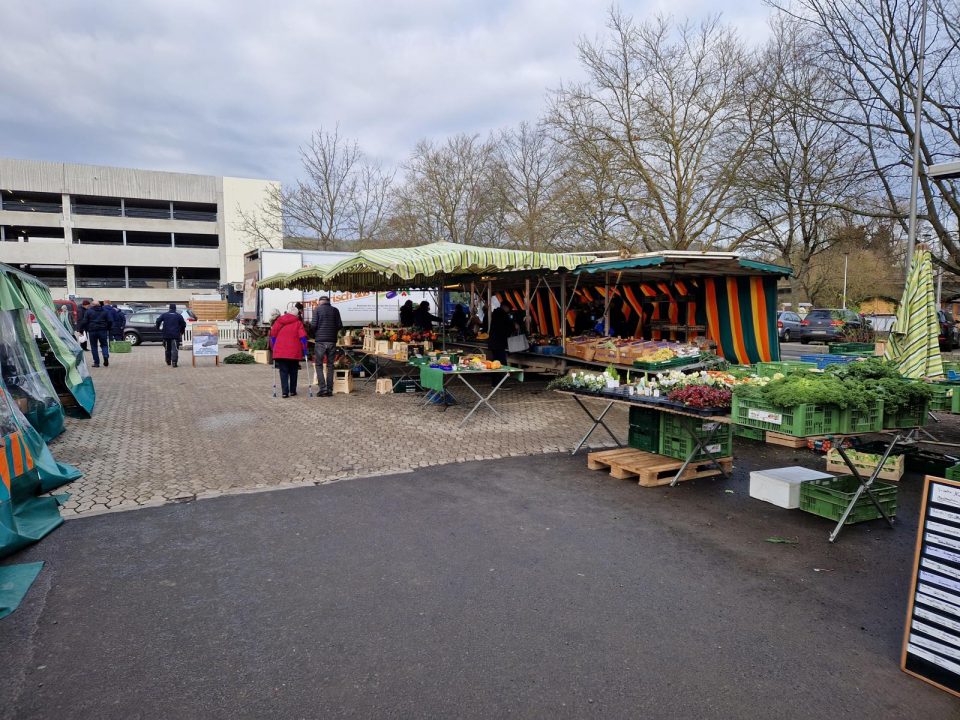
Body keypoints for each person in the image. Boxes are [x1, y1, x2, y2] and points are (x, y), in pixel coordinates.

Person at [270, 310, 308, 398]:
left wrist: (274, 348)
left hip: (280, 351)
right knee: (293, 371)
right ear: (296, 315)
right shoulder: (298, 323)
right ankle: (293, 391)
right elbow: (302, 337)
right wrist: (305, 349)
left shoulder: (279, 321)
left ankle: (284, 392)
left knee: (283, 371)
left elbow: (273, 336)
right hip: (294, 351)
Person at [310, 296, 342, 396]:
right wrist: (333, 332)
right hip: (332, 341)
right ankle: (329, 389)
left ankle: (322, 388)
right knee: (330, 365)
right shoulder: (335, 310)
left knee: (319, 365)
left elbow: (313, 325)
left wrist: (316, 334)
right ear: (328, 302)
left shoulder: (317, 310)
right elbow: (340, 325)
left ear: (320, 303)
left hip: (320, 342)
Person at [78, 301, 112, 368]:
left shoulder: (88, 311)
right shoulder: (105, 311)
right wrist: (107, 328)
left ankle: (96, 363)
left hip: (92, 331)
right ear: (99, 305)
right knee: (104, 345)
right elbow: (110, 321)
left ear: (92, 305)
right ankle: (105, 356)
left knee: (94, 347)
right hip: (103, 331)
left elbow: (84, 321)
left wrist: (81, 330)